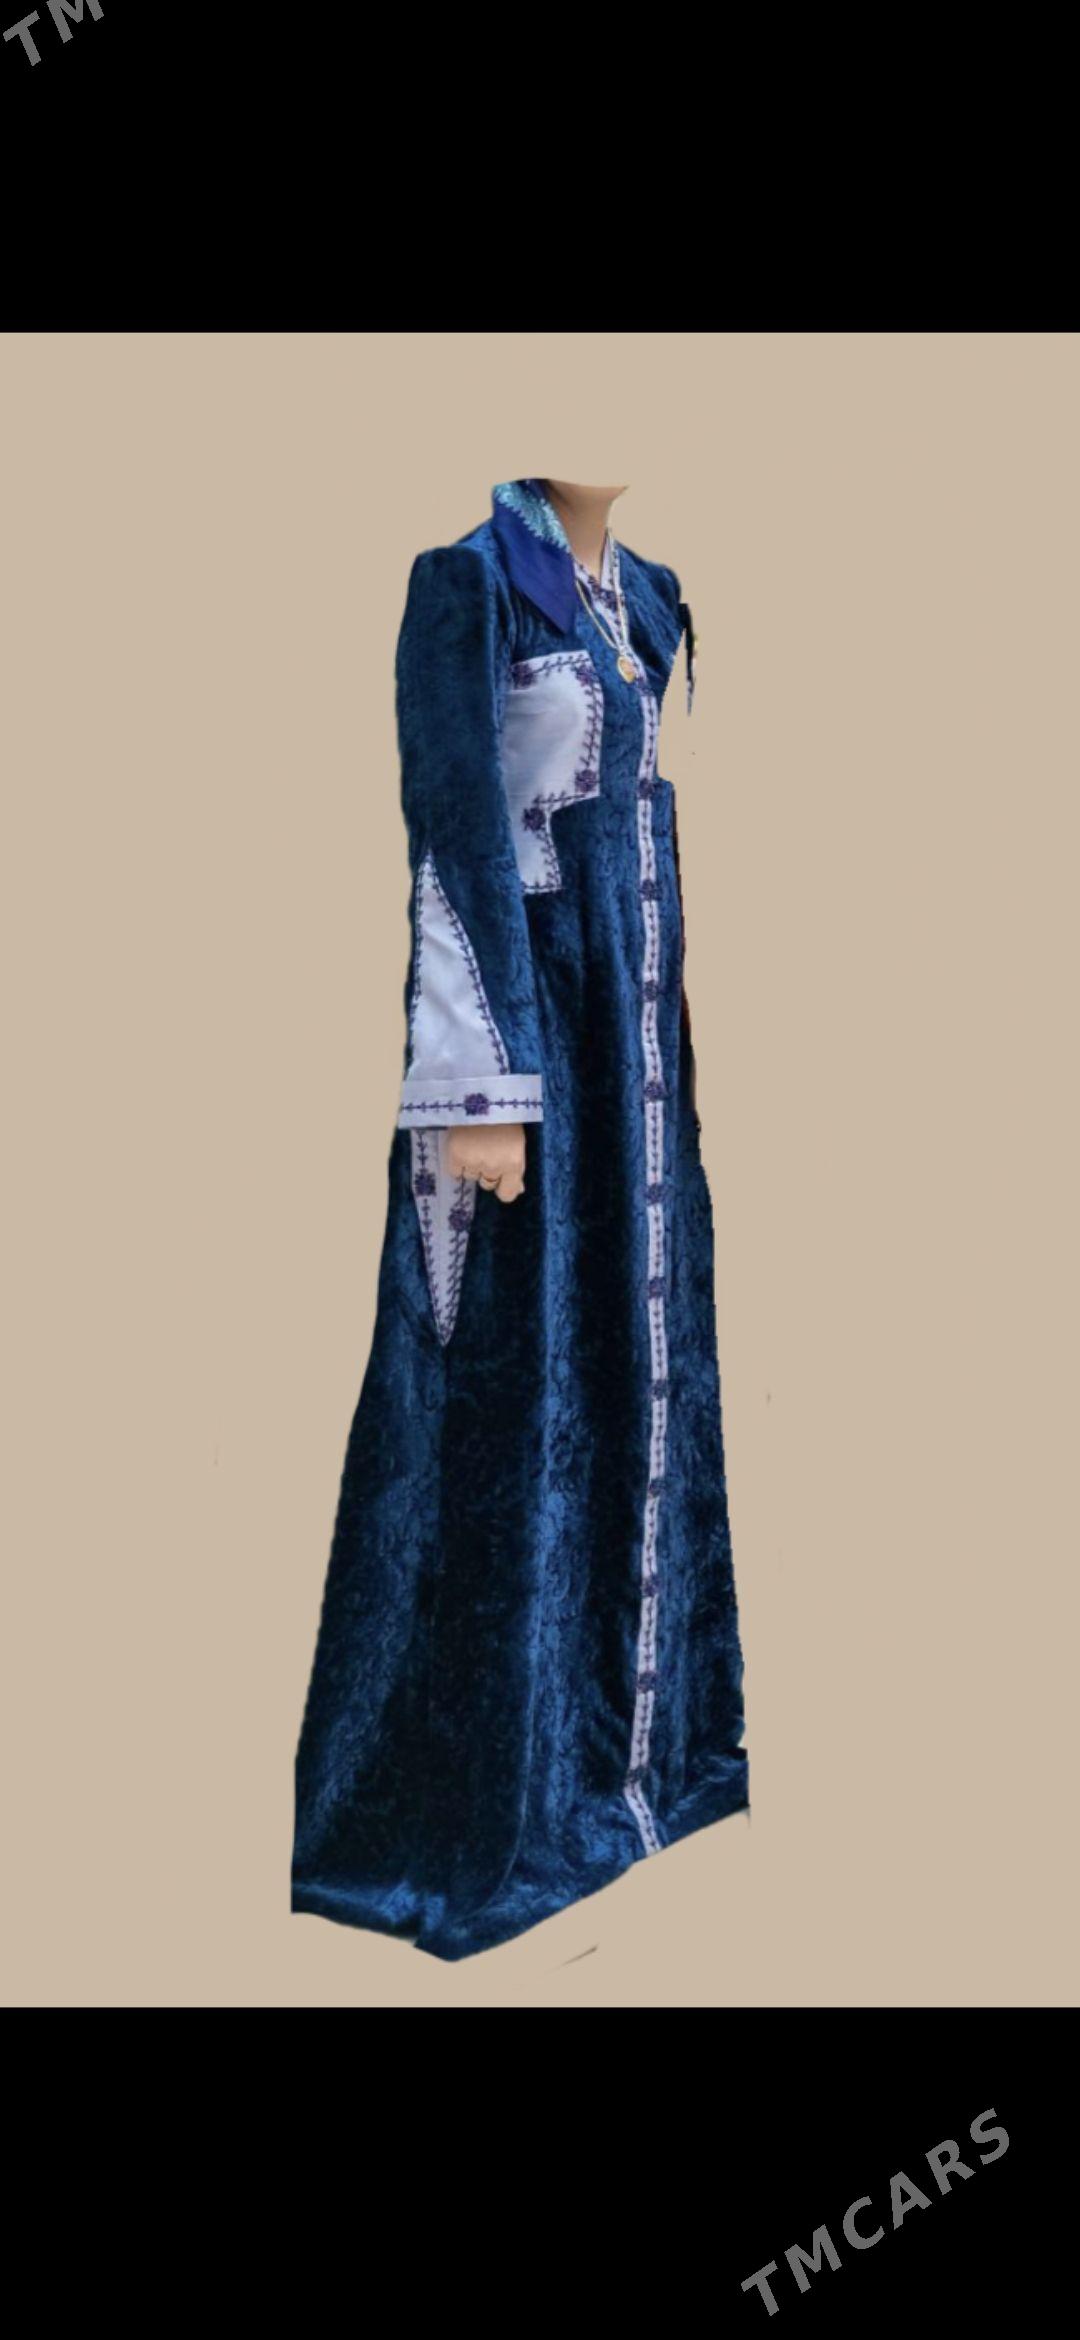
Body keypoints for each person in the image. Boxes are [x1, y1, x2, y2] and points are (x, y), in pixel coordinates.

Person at [291, 476, 748, 1960]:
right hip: (529, 1049)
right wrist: (479, 1086)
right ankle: (485, 1799)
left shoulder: (649, 600)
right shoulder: (471, 585)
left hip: (635, 1064)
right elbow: (454, 836)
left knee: (636, 1370)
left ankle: (638, 1759)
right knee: (507, 1401)